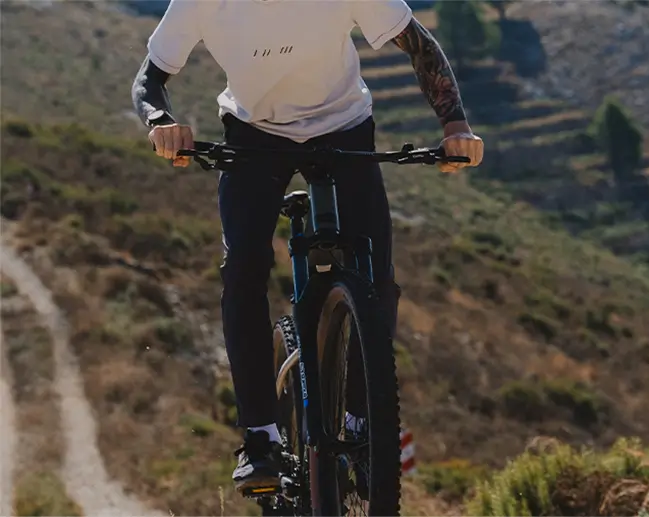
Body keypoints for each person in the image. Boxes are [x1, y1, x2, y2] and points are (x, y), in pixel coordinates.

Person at [131, 0, 483, 493]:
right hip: (254, 135)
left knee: (378, 279)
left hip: (344, 127)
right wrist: (160, 121)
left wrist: (455, 127)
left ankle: (363, 425)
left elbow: (418, 44)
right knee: (243, 271)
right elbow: (150, 78)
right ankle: (260, 437)